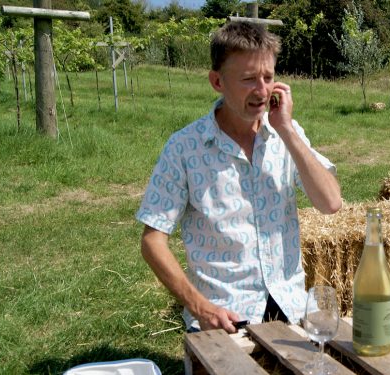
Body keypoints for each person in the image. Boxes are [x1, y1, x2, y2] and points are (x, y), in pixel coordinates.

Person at [135, 21, 342, 333]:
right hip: (225, 315)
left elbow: (330, 202)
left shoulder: (286, 135)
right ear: (217, 81)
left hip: (292, 306)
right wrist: (199, 306)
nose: (262, 91)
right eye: (248, 80)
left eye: (268, 78)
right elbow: (153, 240)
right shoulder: (185, 148)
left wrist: (286, 130)